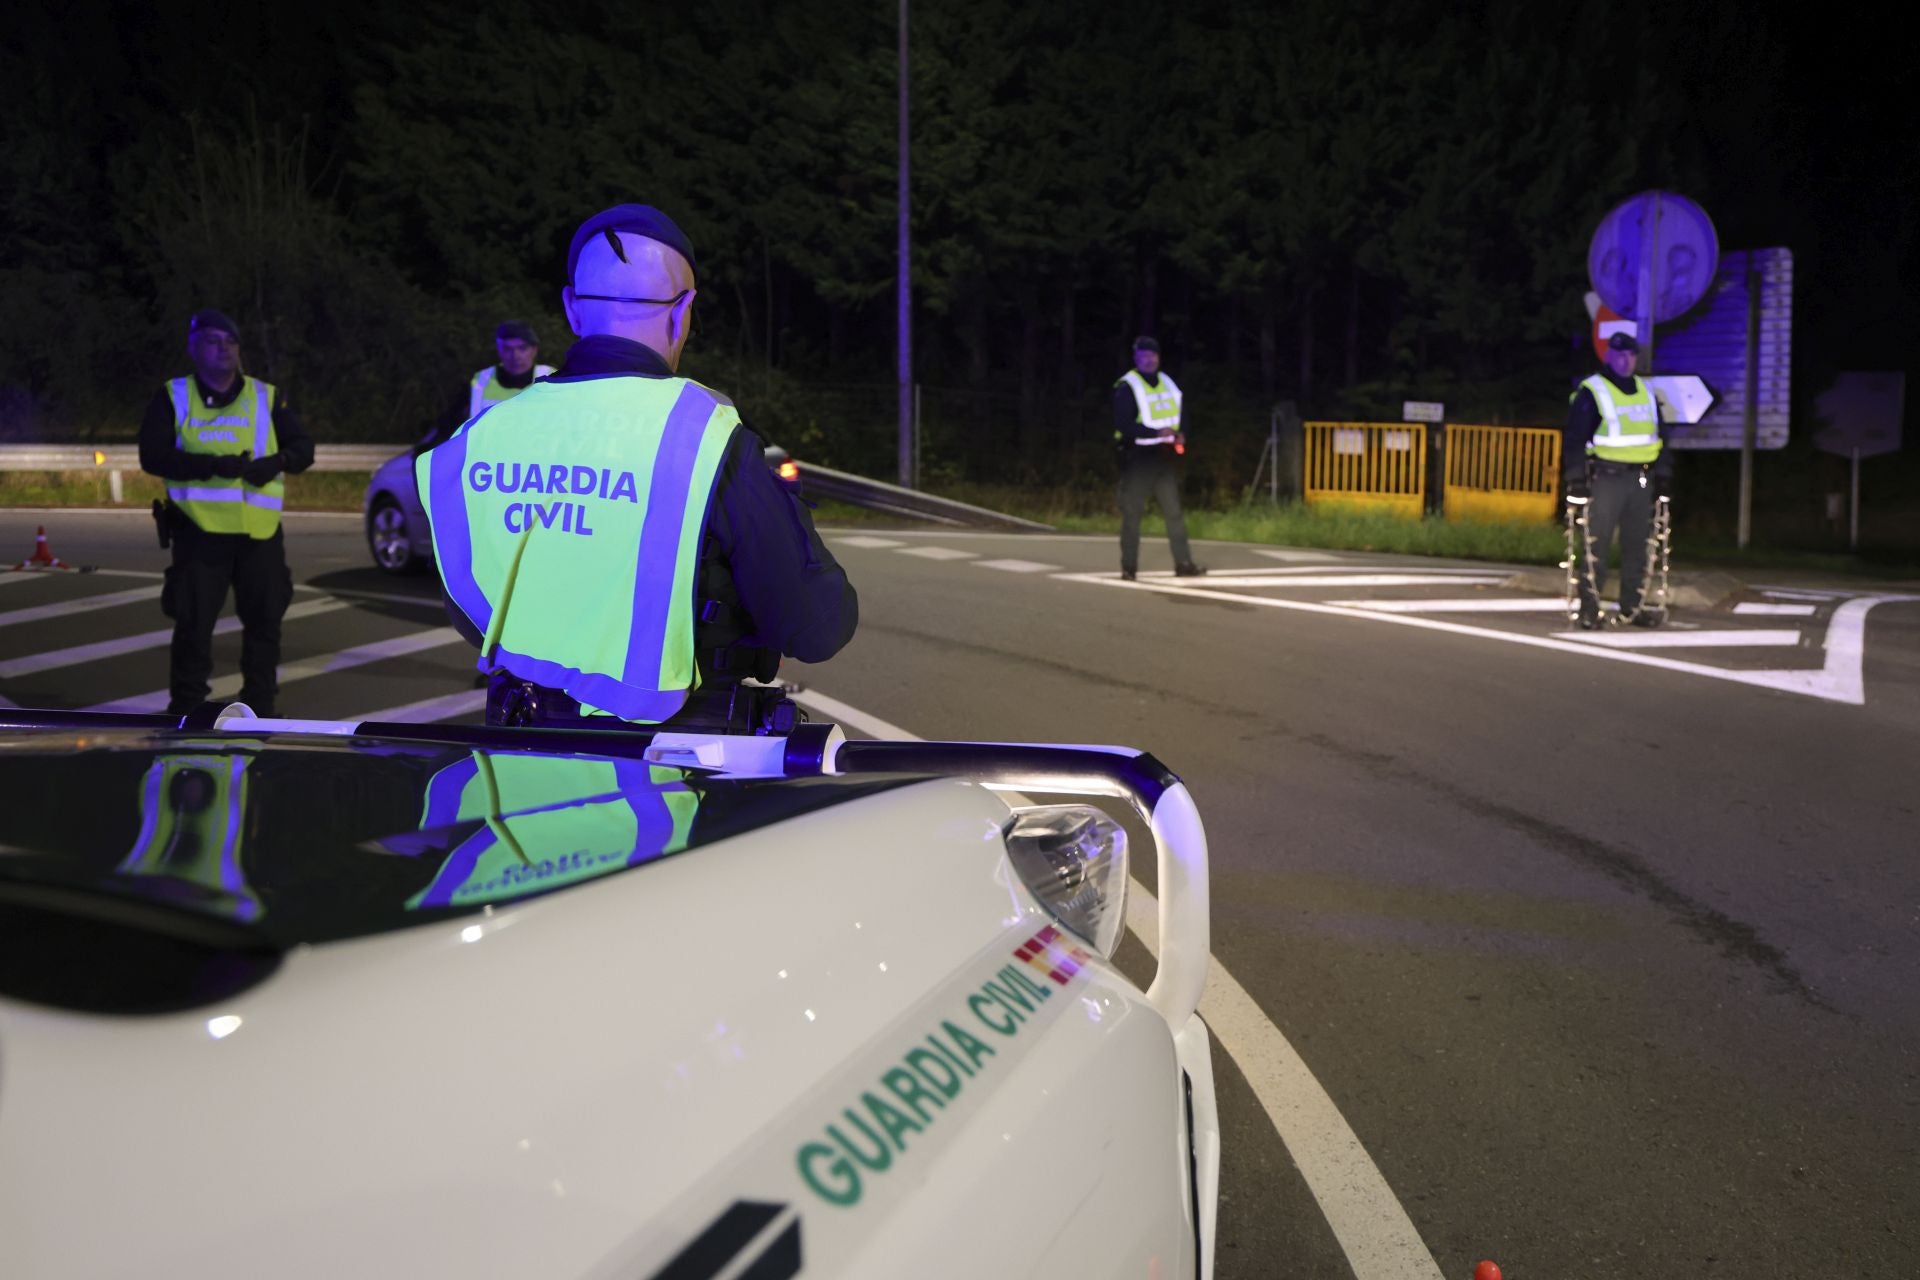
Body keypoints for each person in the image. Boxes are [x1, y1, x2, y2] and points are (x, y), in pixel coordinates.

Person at [416, 203, 857, 732]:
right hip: (670, 777)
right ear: (682, 311)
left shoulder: (475, 442)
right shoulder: (704, 438)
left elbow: (472, 612)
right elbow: (817, 626)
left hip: (514, 760)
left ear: (573, 309)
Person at [138, 309, 314, 716]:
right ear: (193, 348)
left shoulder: (265, 396)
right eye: (213, 341)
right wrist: (213, 465)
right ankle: (186, 709)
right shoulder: (174, 396)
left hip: (260, 534)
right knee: (194, 626)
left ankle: (261, 708)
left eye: (230, 342)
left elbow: (304, 448)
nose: (224, 349)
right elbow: (153, 455)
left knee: (265, 624)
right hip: (199, 532)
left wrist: (279, 460)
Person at [1564, 331, 1672, 629]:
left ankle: (1632, 608)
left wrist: (1663, 474)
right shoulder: (1593, 390)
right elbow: (1574, 438)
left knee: (1638, 546)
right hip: (1605, 478)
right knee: (1594, 545)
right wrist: (1575, 479)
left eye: (1631, 355)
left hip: (1640, 479)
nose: (1626, 361)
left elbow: (1662, 437)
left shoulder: (1646, 392)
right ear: (1609, 355)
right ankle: (1589, 609)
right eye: (1620, 355)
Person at [1113, 336, 1206, 581]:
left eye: (1152, 355)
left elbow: (1182, 412)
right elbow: (1122, 425)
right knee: (1133, 515)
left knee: (1174, 513)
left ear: (1158, 357)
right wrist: (1155, 433)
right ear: (1136, 358)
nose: (1149, 360)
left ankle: (1183, 563)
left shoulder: (1168, 383)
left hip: (1164, 458)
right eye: (1143, 356)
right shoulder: (1127, 386)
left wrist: (1182, 433)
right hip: (1139, 458)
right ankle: (1129, 568)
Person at [464, 321, 555, 420]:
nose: (515, 355)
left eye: (522, 348)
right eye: (507, 349)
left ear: (534, 350)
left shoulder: (552, 377)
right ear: (499, 349)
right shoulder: (481, 381)